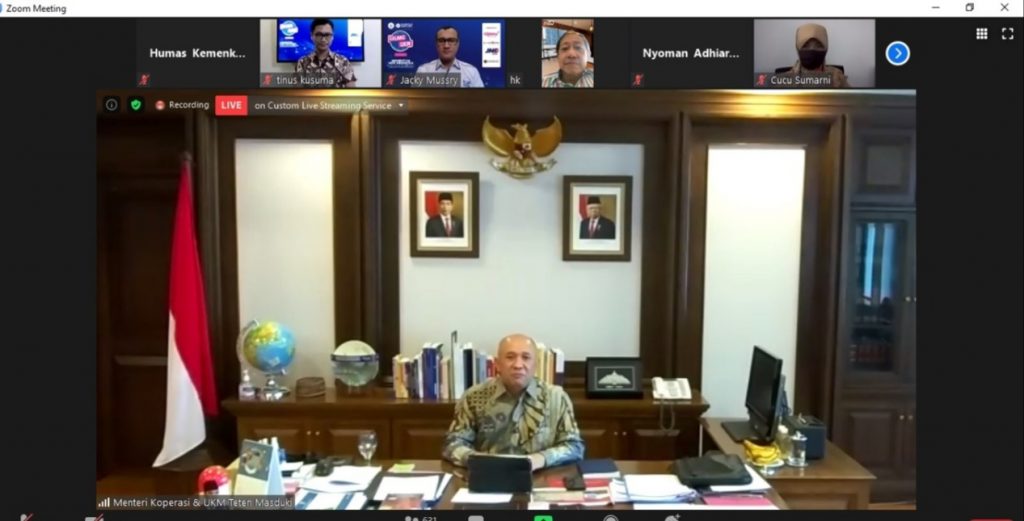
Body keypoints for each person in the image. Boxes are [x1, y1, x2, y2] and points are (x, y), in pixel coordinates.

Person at [442, 334, 585, 470]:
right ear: (497, 364)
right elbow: (452, 444)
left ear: (536, 364)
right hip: (488, 476)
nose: (518, 365)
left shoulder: (556, 397)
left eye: (526, 357)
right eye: (510, 357)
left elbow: (575, 447)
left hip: (540, 476)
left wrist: (540, 459)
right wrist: (478, 460)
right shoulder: (474, 396)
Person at [782, 23, 850, 88]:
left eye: (818, 46)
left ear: (826, 47)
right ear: (798, 47)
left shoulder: (838, 77)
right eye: (805, 46)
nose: (812, 50)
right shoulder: (785, 81)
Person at [295, 19, 358, 88]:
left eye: (327, 35)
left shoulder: (343, 62)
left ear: (332, 37)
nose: (323, 39)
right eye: (319, 35)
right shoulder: (302, 62)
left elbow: (351, 90)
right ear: (312, 36)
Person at [416, 26, 485, 88]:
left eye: (451, 40)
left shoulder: (472, 71)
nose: (446, 46)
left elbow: (481, 97)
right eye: (441, 41)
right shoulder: (423, 71)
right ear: (436, 44)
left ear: (457, 44)